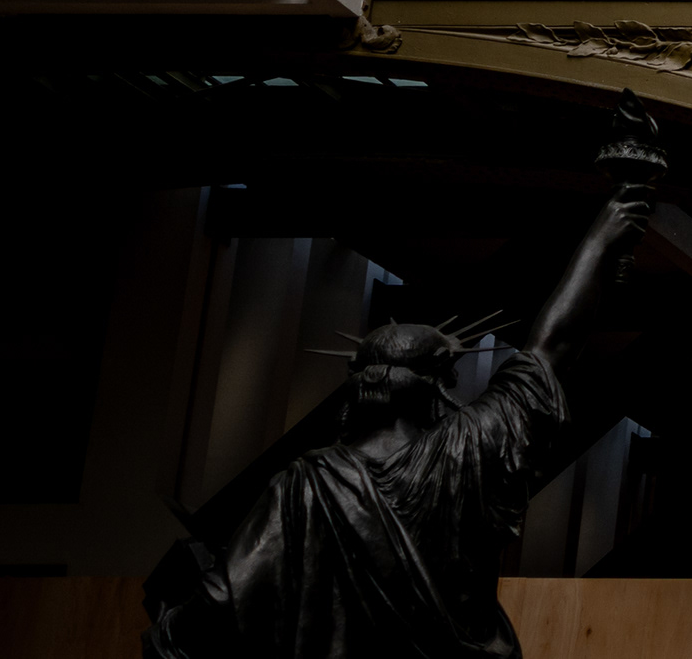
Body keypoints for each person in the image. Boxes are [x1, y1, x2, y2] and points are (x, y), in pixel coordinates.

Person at [143, 101, 664, 659]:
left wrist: (168, 627)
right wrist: (606, 231)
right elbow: (551, 348)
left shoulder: (302, 489)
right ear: (440, 386)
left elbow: (220, 605)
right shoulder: (471, 453)